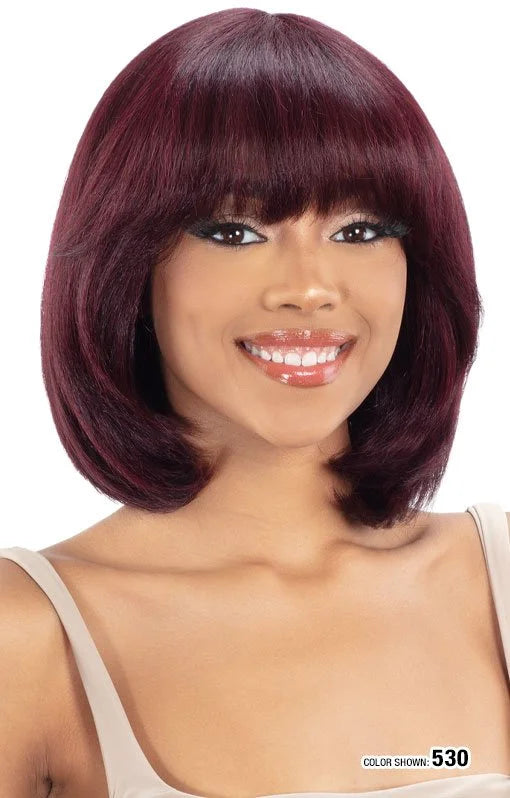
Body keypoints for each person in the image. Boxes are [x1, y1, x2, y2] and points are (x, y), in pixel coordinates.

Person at [1, 7, 509, 798]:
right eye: (234, 232)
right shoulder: (25, 639)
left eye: (360, 230)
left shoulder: (498, 576)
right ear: (129, 267)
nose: (309, 288)